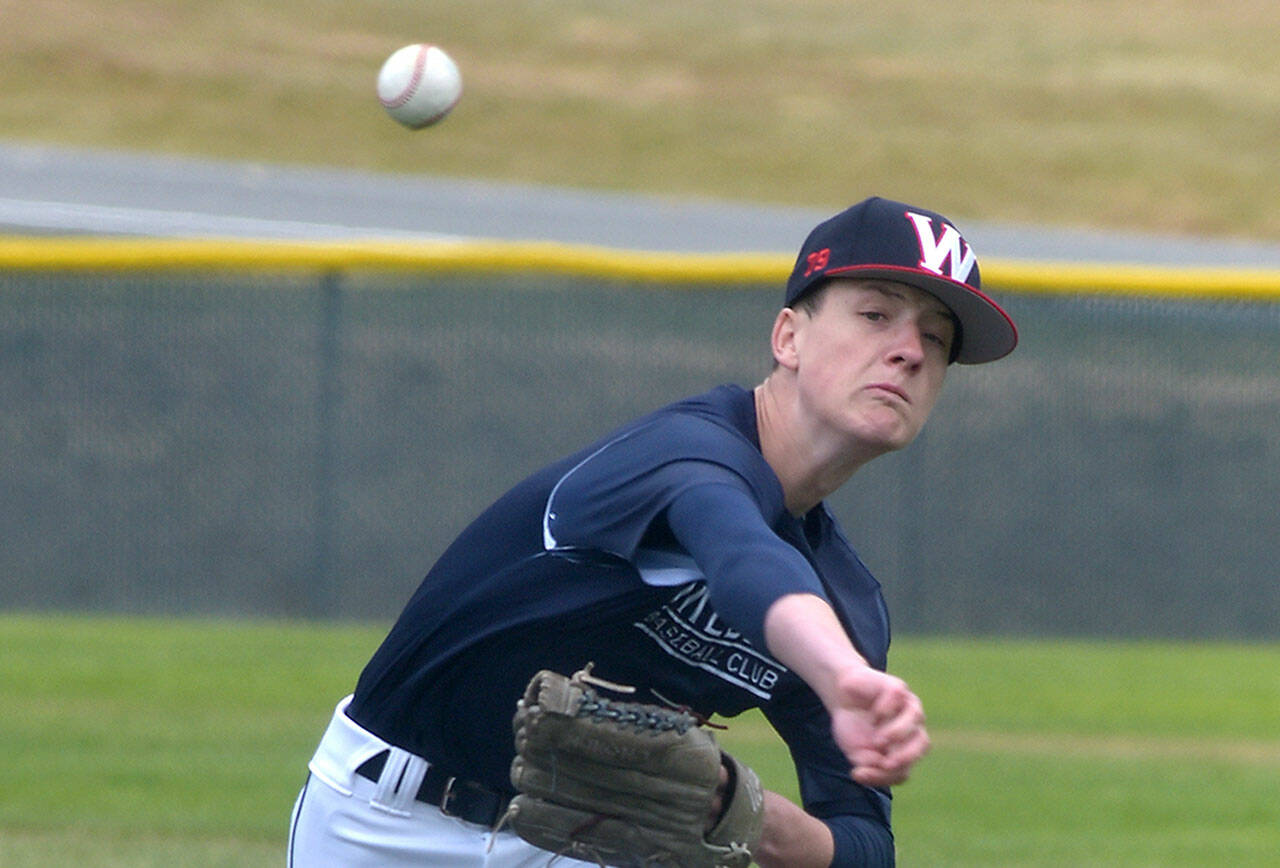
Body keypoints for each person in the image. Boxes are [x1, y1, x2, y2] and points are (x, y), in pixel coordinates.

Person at [287, 195, 1018, 867]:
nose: (910, 350)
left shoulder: (848, 601)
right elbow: (740, 551)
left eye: (936, 337)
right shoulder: (680, 454)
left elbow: (865, 845)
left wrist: (743, 812)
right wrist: (841, 675)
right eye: (875, 315)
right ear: (788, 336)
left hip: (581, 848)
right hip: (382, 823)